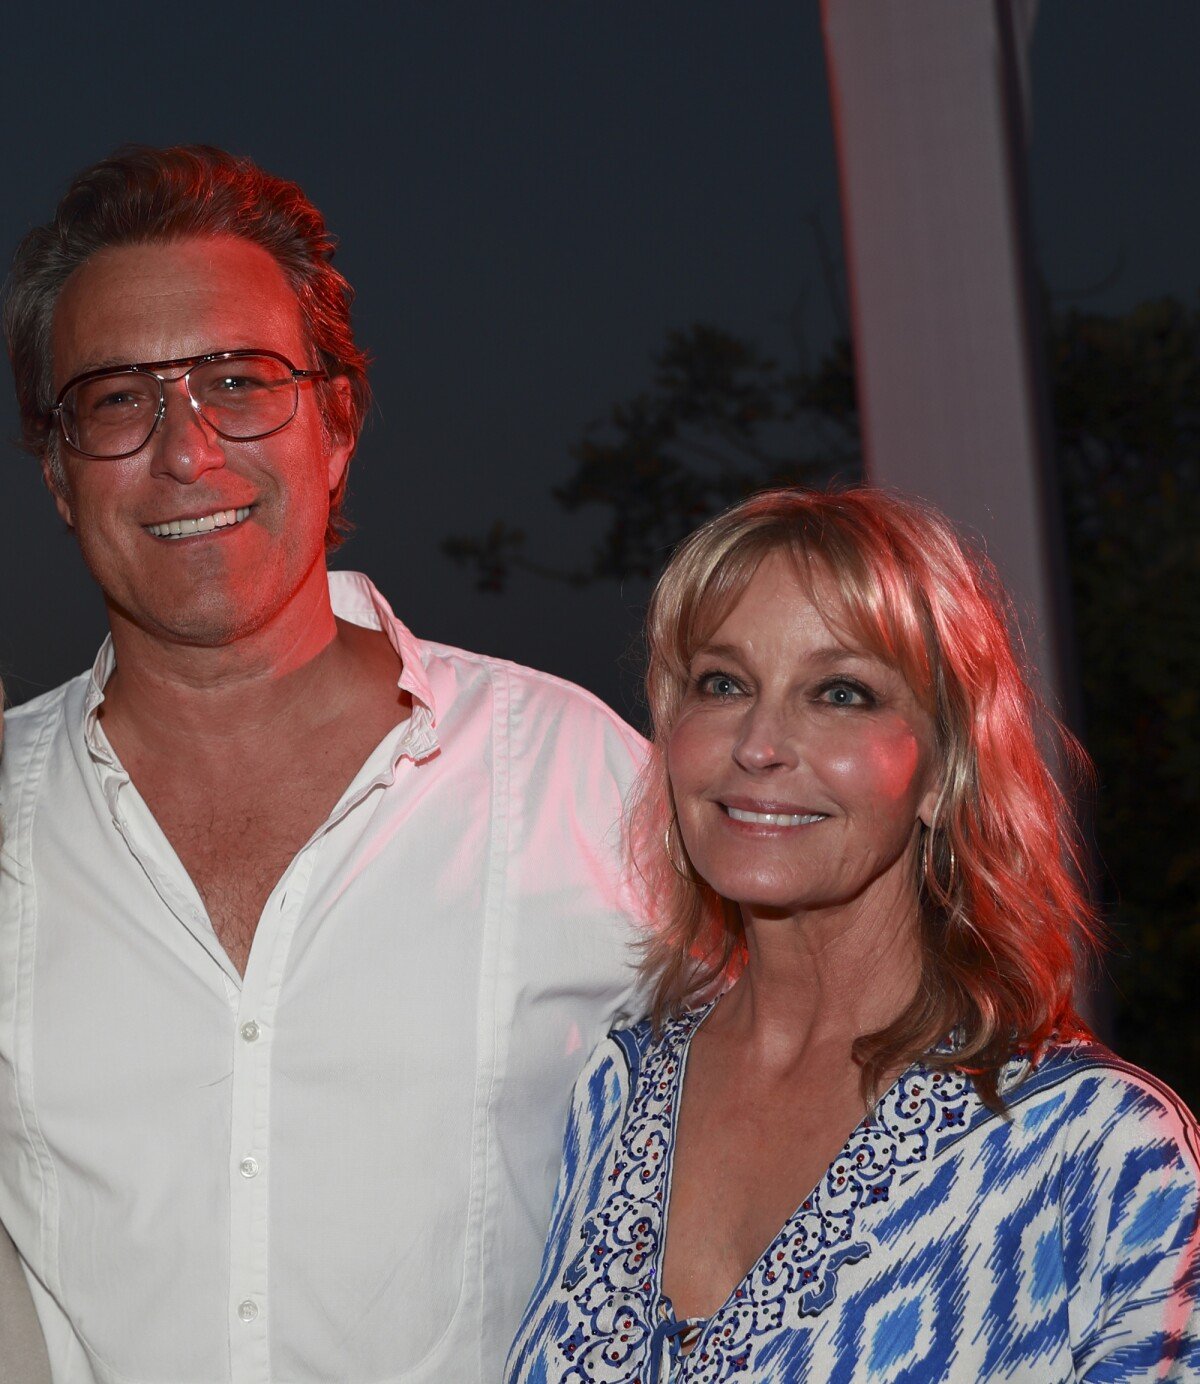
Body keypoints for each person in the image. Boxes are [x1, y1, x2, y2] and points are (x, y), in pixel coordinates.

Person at [0, 146, 646, 1383]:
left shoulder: (579, 780)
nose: (187, 451)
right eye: (119, 400)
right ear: (59, 474)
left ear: (338, 423)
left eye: (240, 381)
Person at [508, 487, 1200, 1382]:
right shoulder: (613, 1092)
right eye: (723, 683)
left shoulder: (1096, 1152)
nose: (759, 744)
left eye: (841, 693)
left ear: (944, 765)